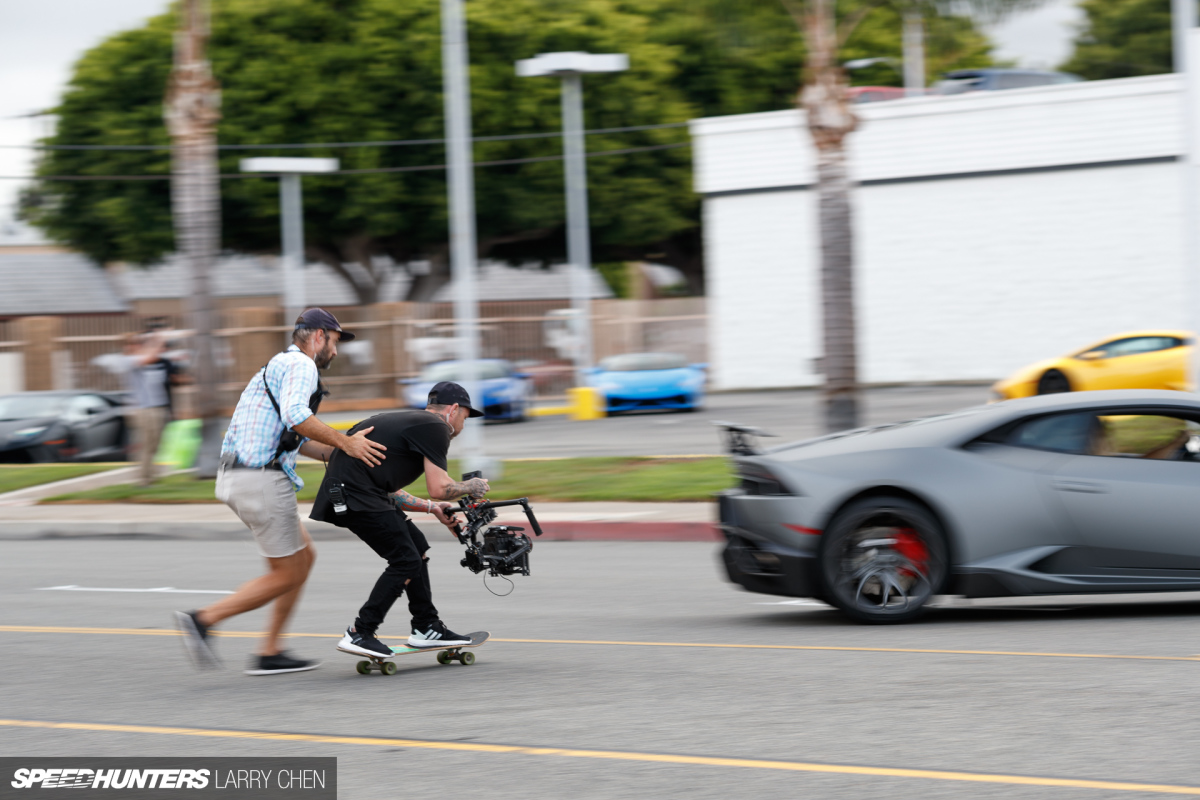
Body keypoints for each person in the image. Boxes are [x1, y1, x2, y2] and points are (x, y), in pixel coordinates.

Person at [174, 308, 387, 676]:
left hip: (243, 477)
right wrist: (346, 442)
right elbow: (296, 416)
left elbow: (296, 437)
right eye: (335, 342)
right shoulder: (302, 365)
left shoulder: (279, 364)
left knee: (302, 558)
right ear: (319, 336)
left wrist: (346, 451)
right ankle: (203, 620)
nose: (336, 351)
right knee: (287, 573)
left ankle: (271, 649)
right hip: (260, 481)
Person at [309, 381, 490, 659]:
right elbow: (439, 487)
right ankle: (360, 632)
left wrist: (432, 508)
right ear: (453, 410)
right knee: (405, 559)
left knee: (416, 547)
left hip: (356, 493)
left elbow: (389, 488)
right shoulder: (437, 427)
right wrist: (473, 486)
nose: (462, 426)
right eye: (465, 418)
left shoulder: (408, 423)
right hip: (357, 495)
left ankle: (427, 627)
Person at [117, 332, 174, 486]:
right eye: (134, 343)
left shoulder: (145, 360)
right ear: (127, 346)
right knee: (145, 444)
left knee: (155, 444)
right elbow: (150, 357)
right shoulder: (128, 360)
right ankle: (144, 479)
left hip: (157, 407)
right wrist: (158, 339)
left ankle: (150, 474)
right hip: (143, 409)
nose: (137, 346)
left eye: (139, 343)